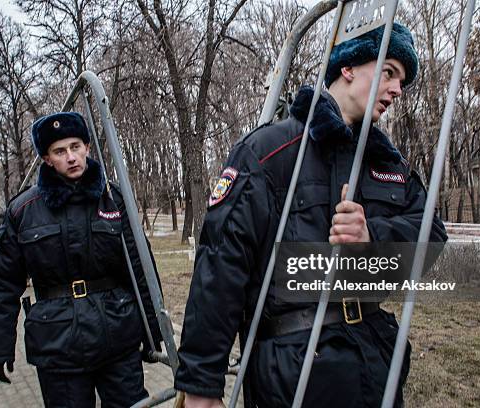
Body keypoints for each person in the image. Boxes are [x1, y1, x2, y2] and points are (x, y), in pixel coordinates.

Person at [174, 23, 448, 407]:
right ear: (349, 67)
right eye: (388, 72)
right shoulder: (269, 150)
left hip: (374, 358)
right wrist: (201, 386)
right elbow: (220, 269)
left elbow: (433, 236)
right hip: (293, 369)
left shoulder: (387, 163)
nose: (397, 90)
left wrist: (373, 237)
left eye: (402, 80)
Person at [0, 111, 163, 408]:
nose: (71, 157)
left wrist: (154, 331)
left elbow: (139, 267)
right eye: (60, 151)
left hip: (117, 335)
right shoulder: (24, 209)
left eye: (76, 146)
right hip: (58, 344)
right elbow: (0, 281)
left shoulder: (113, 199)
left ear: (87, 147)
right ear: (47, 159)